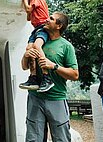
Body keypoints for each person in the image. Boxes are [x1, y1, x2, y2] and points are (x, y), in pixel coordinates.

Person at [21, 12, 79, 142]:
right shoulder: (39, 41)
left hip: (56, 98)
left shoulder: (66, 46)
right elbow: (24, 67)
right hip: (35, 97)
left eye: (51, 19)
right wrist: (25, 56)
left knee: (61, 139)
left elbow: (75, 75)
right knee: (33, 139)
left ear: (59, 26)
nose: (47, 19)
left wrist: (54, 66)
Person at [19, 0, 54, 92]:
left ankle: (46, 76)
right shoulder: (34, 0)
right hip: (35, 29)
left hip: (42, 27)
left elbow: (29, 9)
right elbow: (29, 17)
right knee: (29, 50)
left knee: (36, 46)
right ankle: (33, 77)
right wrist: (27, 2)